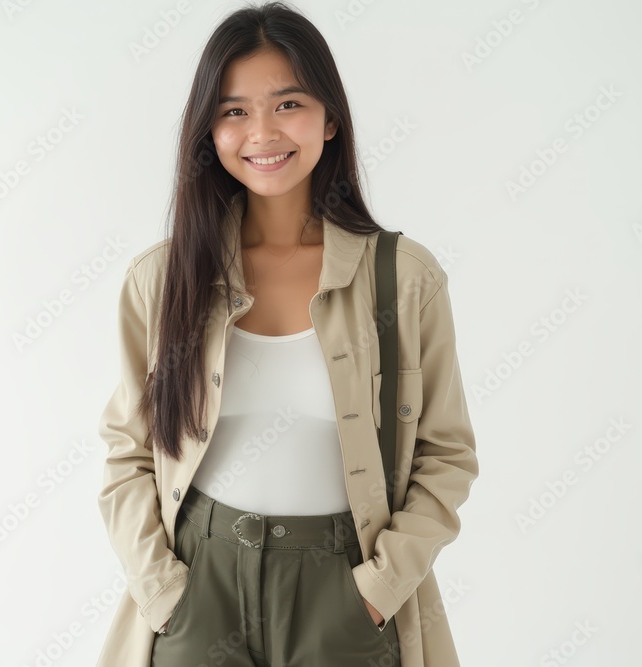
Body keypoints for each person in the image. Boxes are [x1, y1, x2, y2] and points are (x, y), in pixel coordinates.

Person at [95, 3, 479, 666]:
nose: (262, 131)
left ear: (330, 118)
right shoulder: (160, 280)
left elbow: (446, 458)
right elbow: (127, 456)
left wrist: (377, 589)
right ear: (207, 130)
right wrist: (166, 593)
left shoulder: (403, 278)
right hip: (199, 585)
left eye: (288, 103)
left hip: (344, 587)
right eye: (234, 110)